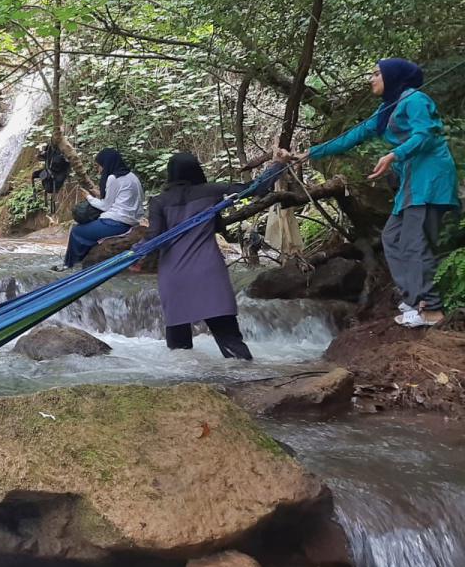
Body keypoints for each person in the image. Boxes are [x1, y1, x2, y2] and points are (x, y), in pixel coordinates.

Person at [279, 59, 460, 327]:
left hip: (430, 179)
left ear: (393, 77)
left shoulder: (415, 100)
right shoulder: (387, 110)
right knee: (393, 237)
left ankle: (431, 309)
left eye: (376, 74)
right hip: (413, 182)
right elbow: (353, 135)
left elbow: (425, 136)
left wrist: (393, 154)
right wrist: (307, 154)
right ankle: (415, 300)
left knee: (415, 242)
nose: (371, 79)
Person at [148, 153, 254, 360]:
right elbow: (253, 189)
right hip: (208, 272)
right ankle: (249, 383)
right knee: (231, 341)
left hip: (174, 276)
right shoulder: (212, 191)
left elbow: (154, 239)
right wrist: (278, 164)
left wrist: (136, 253)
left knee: (179, 350)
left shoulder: (159, 201)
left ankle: (184, 388)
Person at [64, 148, 144, 267]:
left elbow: (106, 206)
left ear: (107, 163)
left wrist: (88, 197)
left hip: (115, 224)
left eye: (99, 166)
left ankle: (70, 266)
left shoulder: (113, 178)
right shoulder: (132, 177)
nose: (99, 170)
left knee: (77, 231)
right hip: (131, 222)